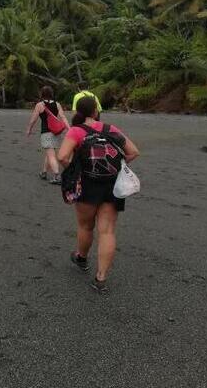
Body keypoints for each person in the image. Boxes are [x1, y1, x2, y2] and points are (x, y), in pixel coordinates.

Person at [57, 96, 139, 294]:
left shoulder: (76, 131)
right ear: (95, 111)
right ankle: (101, 278)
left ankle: (82, 258)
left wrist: (75, 169)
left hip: (87, 184)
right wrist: (120, 166)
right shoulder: (111, 129)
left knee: (86, 225)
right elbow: (134, 152)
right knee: (107, 231)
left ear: (79, 111)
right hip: (112, 186)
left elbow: (61, 157)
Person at [25, 86, 68, 184]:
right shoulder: (57, 104)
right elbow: (63, 117)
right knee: (50, 153)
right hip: (56, 132)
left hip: (46, 132)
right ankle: (44, 172)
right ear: (51, 93)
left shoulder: (40, 105)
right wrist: (68, 128)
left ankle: (57, 176)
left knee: (51, 155)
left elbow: (33, 119)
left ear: (42, 94)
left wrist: (29, 129)